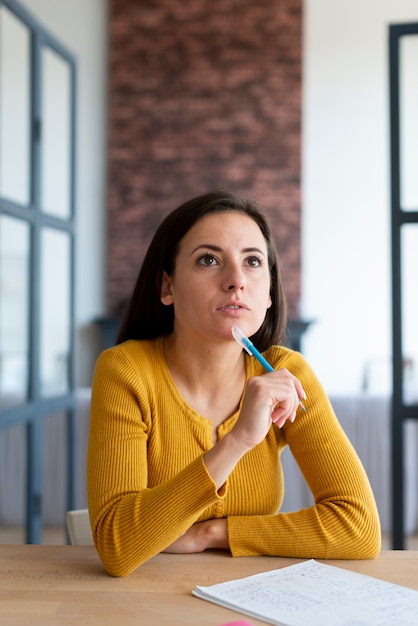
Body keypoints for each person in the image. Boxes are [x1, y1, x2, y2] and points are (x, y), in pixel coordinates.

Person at [87, 190, 381, 577]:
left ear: (270, 291)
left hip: (251, 600)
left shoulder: (287, 375)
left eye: (253, 262)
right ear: (167, 287)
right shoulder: (125, 371)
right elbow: (118, 546)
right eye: (209, 260)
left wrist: (213, 533)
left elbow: (358, 529)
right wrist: (238, 440)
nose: (236, 281)